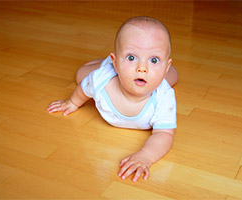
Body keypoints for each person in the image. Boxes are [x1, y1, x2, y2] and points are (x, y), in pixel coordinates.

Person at [47, 16, 178, 182]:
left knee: (172, 77)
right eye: (131, 57)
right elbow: (83, 90)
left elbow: (164, 133)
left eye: (154, 60)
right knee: (81, 75)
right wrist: (72, 102)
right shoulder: (101, 81)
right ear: (115, 63)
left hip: (148, 73)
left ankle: (148, 64)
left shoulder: (164, 95)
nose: (142, 68)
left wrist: (145, 156)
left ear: (165, 66)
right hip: (107, 70)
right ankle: (106, 62)